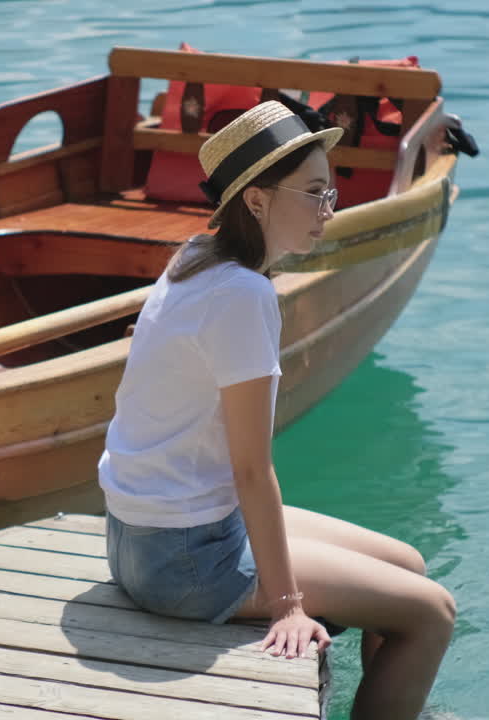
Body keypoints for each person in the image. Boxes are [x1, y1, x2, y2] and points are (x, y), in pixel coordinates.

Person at [98, 101, 456, 720]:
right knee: (431, 612)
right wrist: (288, 602)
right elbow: (251, 471)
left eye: (332, 192)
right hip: (184, 559)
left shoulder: (195, 258)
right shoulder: (243, 294)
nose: (328, 210)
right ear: (257, 201)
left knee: (410, 566)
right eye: (314, 193)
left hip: (137, 538)